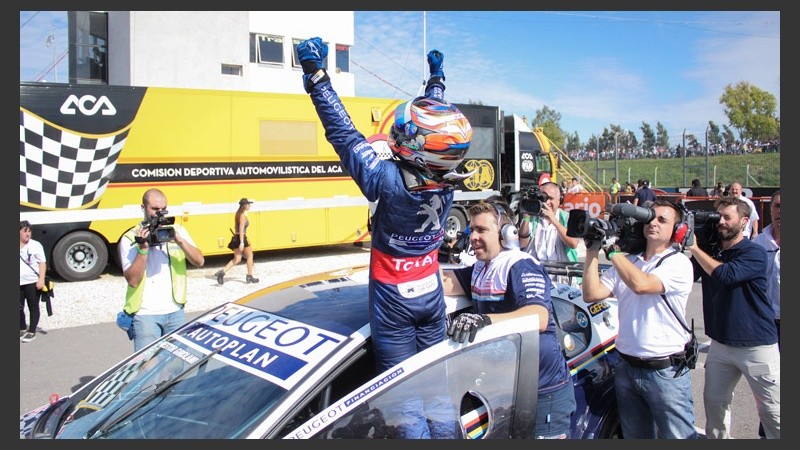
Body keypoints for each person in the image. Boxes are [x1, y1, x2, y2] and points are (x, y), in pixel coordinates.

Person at [298, 39, 471, 373]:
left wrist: (316, 77)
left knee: (400, 391)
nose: (400, 132)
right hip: (431, 294)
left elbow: (344, 133)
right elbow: (439, 133)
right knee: (435, 380)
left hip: (393, 301)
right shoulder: (448, 178)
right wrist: (437, 81)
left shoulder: (384, 179)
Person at [442, 199, 575, 439]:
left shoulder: (521, 265)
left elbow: (539, 316)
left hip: (542, 392)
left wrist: (484, 320)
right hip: (508, 390)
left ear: (506, 233)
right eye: (472, 229)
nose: (473, 237)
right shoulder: (480, 267)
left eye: (481, 230)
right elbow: (441, 282)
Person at [581, 200, 698, 439]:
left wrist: (612, 250)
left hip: (665, 372)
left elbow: (641, 284)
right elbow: (592, 293)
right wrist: (592, 250)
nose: (653, 223)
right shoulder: (629, 262)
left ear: (677, 230)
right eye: (650, 218)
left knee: (678, 436)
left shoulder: (678, 263)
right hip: (627, 367)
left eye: (662, 220)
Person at [686, 196, 779, 439]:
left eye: (728, 217)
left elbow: (726, 275)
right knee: (715, 408)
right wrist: (691, 245)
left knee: (773, 412)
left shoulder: (754, 252)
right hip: (721, 344)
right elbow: (686, 276)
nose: (721, 222)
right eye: (718, 217)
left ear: (745, 221)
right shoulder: (711, 251)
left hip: (756, 345)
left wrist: (695, 248)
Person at [119, 188, 205, 352]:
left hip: (175, 311)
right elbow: (133, 281)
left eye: (163, 209)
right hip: (145, 315)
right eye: (155, 209)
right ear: (143, 208)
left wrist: (179, 240)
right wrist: (143, 249)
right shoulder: (130, 237)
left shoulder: (176, 231)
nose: (159, 214)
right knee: (147, 364)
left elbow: (199, 261)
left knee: (177, 364)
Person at [752, 189, 780, 438]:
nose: (782, 212)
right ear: (770, 209)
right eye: (778, 206)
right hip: (766, 323)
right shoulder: (758, 244)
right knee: (769, 383)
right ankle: (768, 432)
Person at [518, 182, 579, 285]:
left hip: (563, 279)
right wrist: (526, 217)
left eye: (550, 198)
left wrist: (554, 220)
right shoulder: (533, 218)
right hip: (536, 277)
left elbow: (573, 243)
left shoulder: (567, 217)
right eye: (543, 198)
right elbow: (522, 244)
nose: (547, 202)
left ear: (559, 200)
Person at [215, 198, 259, 285]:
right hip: (241, 237)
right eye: (248, 204)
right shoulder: (242, 216)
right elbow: (241, 229)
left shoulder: (238, 213)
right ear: (244, 206)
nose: (249, 206)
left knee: (237, 259)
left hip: (236, 237)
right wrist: (242, 242)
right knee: (250, 255)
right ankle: (249, 276)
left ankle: (221, 272)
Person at [20, 220, 46, 343]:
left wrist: (41, 279)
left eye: (29, 231)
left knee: (33, 306)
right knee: (19, 307)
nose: (28, 234)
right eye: (25, 231)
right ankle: (22, 327)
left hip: (32, 281)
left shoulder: (36, 245)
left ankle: (32, 331)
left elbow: (42, 263)